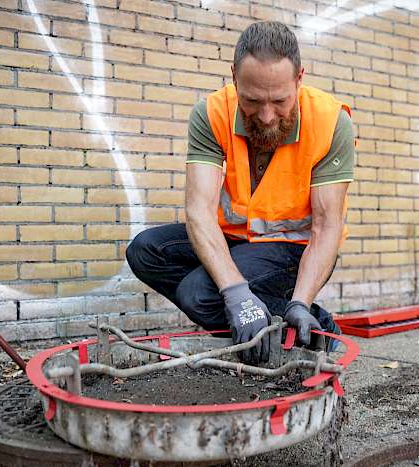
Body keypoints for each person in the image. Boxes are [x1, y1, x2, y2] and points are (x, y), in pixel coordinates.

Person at [126, 21, 355, 365]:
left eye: (280, 101)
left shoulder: (330, 122)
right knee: (146, 251)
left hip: (295, 250)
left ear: (299, 78)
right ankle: (266, 319)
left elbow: (326, 227)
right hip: (237, 240)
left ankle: (312, 324)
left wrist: (300, 301)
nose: (267, 116)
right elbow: (199, 211)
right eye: (252, 100)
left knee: (198, 294)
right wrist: (237, 296)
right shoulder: (212, 114)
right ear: (234, 77)